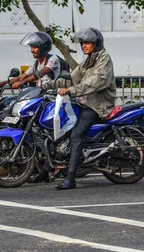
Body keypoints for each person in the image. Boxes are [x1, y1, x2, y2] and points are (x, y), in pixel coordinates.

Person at [35, 27, 117, 190]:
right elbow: (72, 79)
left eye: (87, 42)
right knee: (59, 132)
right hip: (83, 102)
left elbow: (97, 82)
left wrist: (71, 91)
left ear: (96, 43)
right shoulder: (88, 61)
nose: (84, 46)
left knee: (76, 135)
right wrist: (48, 85)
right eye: (82, 43)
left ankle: (71, 179)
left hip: (97, 105)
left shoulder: (104, 59)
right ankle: (45, 172)